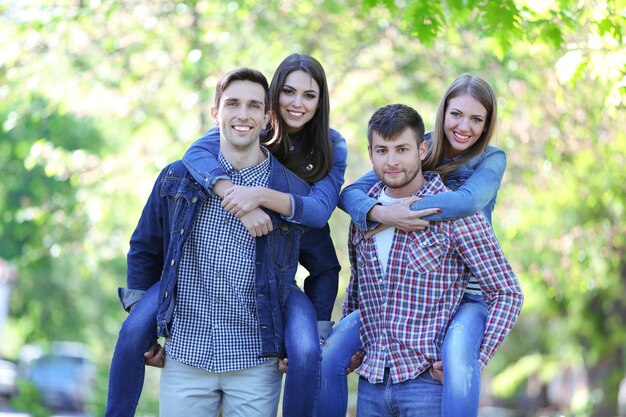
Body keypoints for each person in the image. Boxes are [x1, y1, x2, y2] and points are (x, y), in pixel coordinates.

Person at [107, 68, 311, 416]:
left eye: (253, 106)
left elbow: (323, 266)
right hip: (186, 355)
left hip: (255, 360)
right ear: (216, 112)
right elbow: (144, 247)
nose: (242, 114)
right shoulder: (176, 178)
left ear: (266, 118)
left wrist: (302, 337)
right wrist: (144, 321)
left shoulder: (290, 192)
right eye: (232, 104)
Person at [318, 74, 512, 417]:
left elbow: (467, 202)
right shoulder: (410, 153)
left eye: (476, 119)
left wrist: (408, 212)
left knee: (457, 357)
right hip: (378, 373)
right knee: (328, 354)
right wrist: (381, 213)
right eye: (456, 115)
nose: (464, 126)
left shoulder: (489, 161)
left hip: (469, 294)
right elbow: (351, 196)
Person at [180, 53, 347, 417]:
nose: (297, 103)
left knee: (306, 350)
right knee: (132, 334)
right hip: (236, 268)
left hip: (290, 265)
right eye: (288, 92)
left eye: (309, 95)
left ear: (321, 101)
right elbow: (193, 153)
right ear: (272, 99)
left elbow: (319, 213)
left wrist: (257, 195)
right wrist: (229, 190)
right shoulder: (249, 127)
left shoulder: (331, 145)